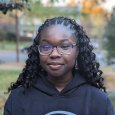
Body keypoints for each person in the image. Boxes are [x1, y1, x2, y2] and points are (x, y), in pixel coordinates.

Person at [4, 17, 115, 115]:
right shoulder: (18, 98)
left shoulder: (98, 100)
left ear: (78, 51)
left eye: (65, 46)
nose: (54, 54)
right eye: (46, 47)